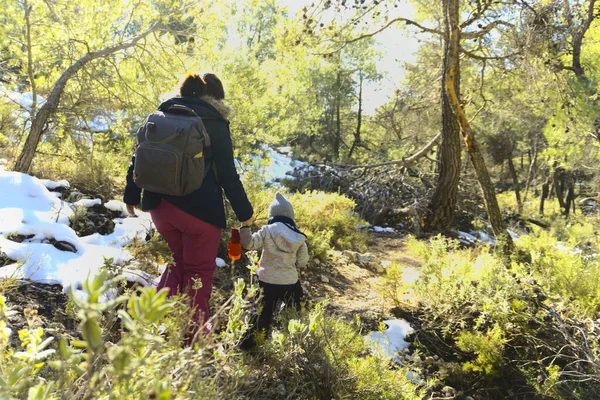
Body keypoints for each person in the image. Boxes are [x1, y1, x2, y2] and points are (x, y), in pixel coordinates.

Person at [124, 73, 254, 336]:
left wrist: (131, 194)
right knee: (198, 272)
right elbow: (228, 174)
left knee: (178, 263)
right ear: (217, 97)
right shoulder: (215, 122)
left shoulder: (161, 115)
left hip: (160, 206)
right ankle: (194, 338)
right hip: (200, 212)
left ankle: (148, 325)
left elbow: (139, 156)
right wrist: (246, 214)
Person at [239, 192, 309, 350]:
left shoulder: (267, 230)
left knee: (261, 315)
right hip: (290, 281)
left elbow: (249, 244)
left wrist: (245, 227)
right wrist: (292, 265)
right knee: (294, 313)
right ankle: (294, 345)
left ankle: (250, 347)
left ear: (272, 214)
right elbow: (303, 261)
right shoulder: (298, 236)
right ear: (290, 215)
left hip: (267, 280)